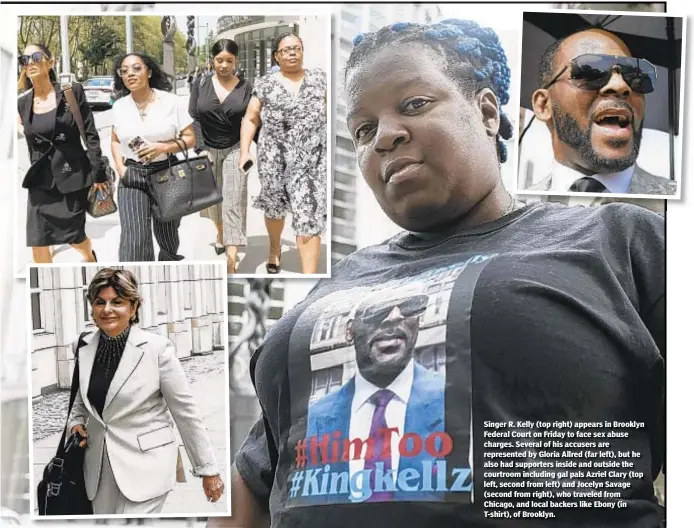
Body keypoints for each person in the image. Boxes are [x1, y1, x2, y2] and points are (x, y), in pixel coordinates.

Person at [216, 19, 664, 528]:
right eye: (363, 129)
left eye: (414, 105)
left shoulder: (621, 239)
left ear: (487, 111)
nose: (385, 136)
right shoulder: (333, 286)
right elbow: (256, 479)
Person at [67, 268, 225, 514]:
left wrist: (208, 469)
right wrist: (76, 423)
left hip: (147, 465)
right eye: (100, 302)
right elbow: (80, 398)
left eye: (117, 302)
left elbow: (185, 412)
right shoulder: (83, 346)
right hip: (98, 469)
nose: (107, 309)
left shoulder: (157, 349)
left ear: (133, 308)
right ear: (92, 308)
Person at [305, 290, 445, 504]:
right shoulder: (316, 417)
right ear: (350, 330)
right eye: (377, 310)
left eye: (409, 307)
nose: (395, 316)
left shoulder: (455, 399)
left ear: (419, 321)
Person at [527, 28, 676, 196]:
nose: (620, 86)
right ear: (543, 105)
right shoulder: (517, 209)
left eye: (635, 75)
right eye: (591, 71)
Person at [239, 32, 327, 274]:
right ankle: (275, 248)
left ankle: (309, 277)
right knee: (275, 207)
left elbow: (331, 114)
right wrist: (245, 151)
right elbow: (251, 118)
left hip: (311, 160)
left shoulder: (319, 79)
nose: (292, 53)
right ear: (276, 56)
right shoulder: (265, 84)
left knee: (309, 213)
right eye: (286, 49)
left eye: (296, 48)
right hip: (273, 158)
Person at [17, 44, 108, 264]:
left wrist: (99, 174)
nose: (30, 62)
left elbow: (90, 133)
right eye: (24, 59)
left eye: (36, 56)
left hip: (72, 177)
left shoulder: (71, 92)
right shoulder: (22, 103)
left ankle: (89, 257)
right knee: (37, 241)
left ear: (50, 62)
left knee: (74, 238)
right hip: (40, 182)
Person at [110, 52, 196, 262]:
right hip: (133, 176)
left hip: (166, 173)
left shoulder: (171, 102)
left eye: (136, 68)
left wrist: (162, 148)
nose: (130, 73)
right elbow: (114, 140)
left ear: (148, 72)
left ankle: (167, 268)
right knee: (134, 240)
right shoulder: (119, 106)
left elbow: (190, 139)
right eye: (124, 70)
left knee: (168, 238)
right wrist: (121, 169)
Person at [189, 39, 252, 273]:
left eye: (229, 61)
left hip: (235, 147)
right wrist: (200, 148)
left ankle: (231, 259)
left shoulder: (246, 87)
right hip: (208, 149)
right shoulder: (200, 84)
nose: (224, 65)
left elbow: (251, 120)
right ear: (212, 61)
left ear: (236, 61)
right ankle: (221, 231)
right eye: (219, 60)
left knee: (233, 199)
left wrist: (249, 149)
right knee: (214, 199)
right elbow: (194, 117)